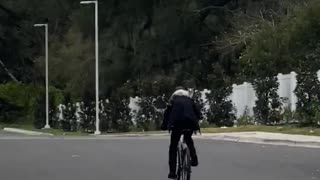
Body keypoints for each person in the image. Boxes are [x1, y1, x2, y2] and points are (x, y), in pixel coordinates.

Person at [161, 86, 202, 179]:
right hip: (190, 123)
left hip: (177, 124)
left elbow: (167, 113)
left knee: (173, 147)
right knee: (188, 138)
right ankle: (194, 159)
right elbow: (197, 112)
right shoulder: (189, 99)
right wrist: (198, 119)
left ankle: (172, 172)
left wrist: (164, 125)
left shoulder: (173, 99)